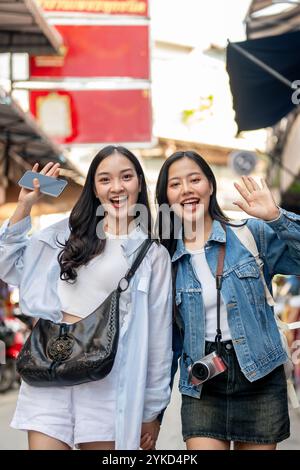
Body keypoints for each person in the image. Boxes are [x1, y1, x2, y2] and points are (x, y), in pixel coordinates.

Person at [0, 145, 172, 450]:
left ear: (138, 183)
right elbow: (7, 265)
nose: (116, 187)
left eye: (126, 177)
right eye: (105, 179)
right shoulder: (64, 234)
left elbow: (159, 340)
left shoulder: (152, 254)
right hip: (50, 369)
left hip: (108, 382)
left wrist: (152, 411)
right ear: (94, 187)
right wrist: (25, 205)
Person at [155, 150, 300, 451]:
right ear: (166, 197)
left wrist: (276, 217)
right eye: (175, 184)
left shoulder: (250, 234)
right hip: (203, 383)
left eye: (195, 179)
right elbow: (168, 343)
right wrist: (153, 413)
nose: (187, 190)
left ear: (210, 185)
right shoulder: (163, 259)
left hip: (261, 374)